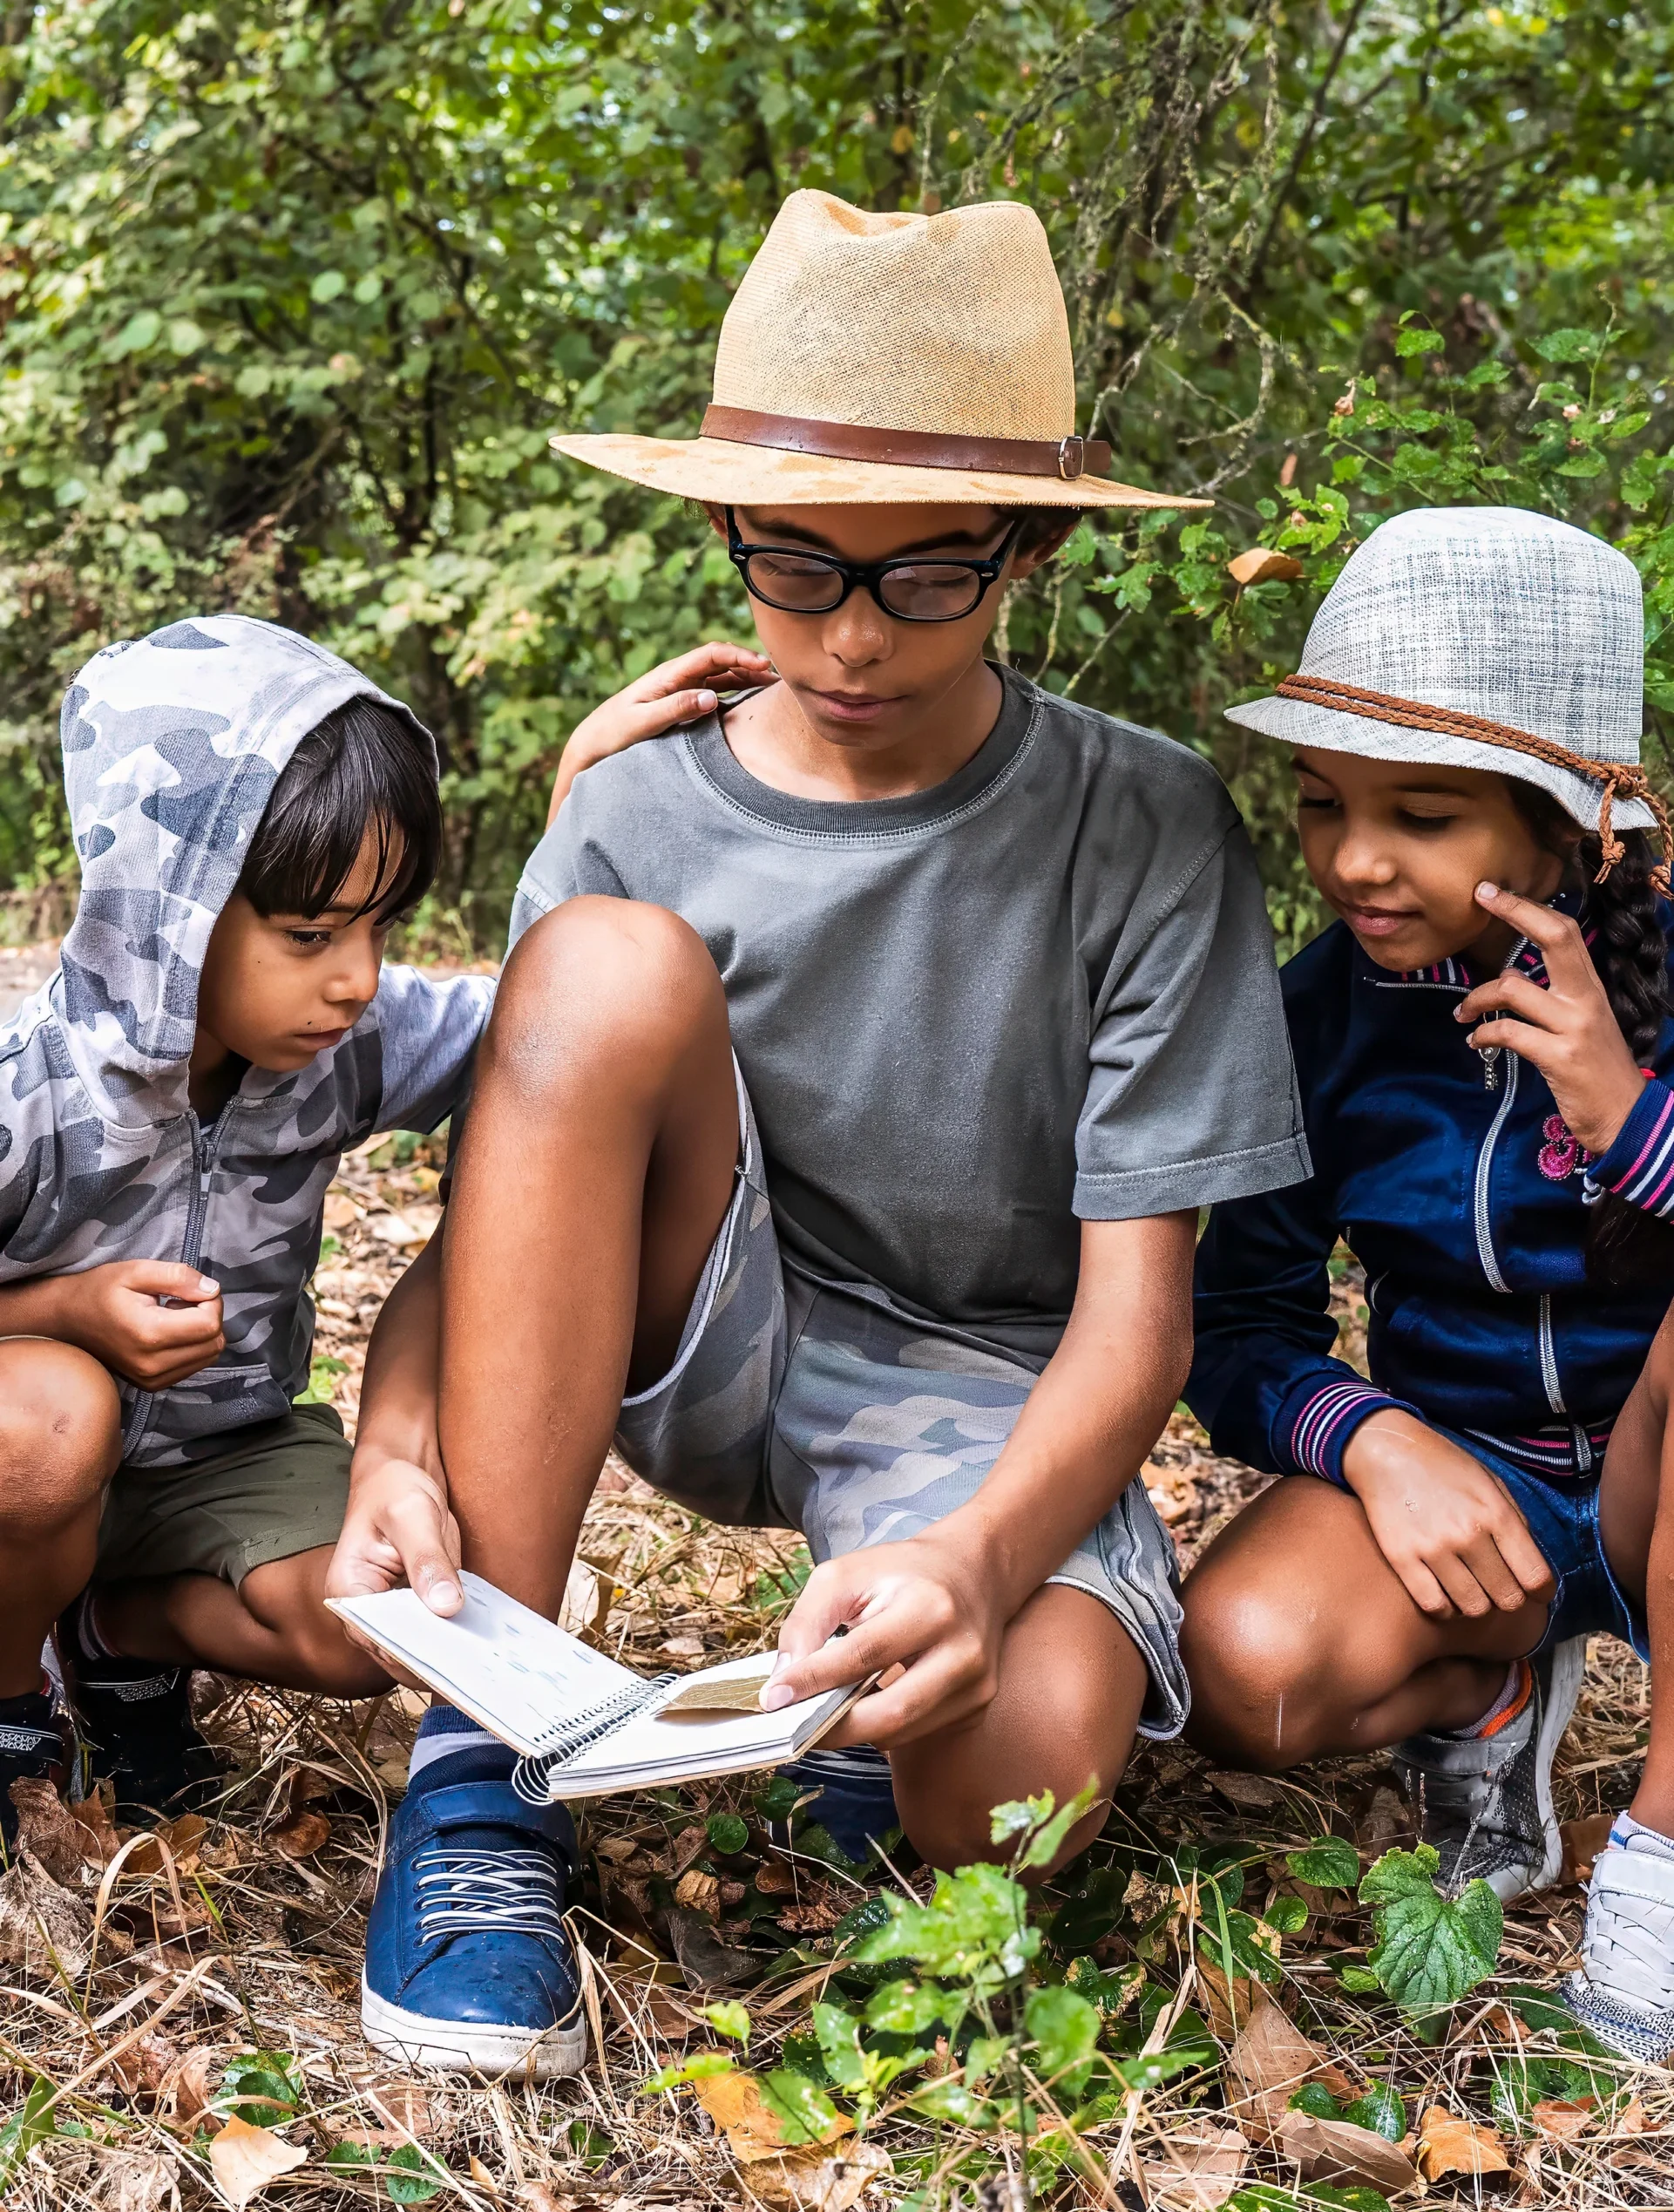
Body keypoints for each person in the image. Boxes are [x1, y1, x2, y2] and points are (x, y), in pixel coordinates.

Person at [341, 187, 1310, 2079]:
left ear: (1021, 548)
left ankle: (859, 1719)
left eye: (920, 577)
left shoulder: (1149, 823)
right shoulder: (633, 811)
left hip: (988, 1376)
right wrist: (394, 1440)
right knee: (603, 965)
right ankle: (481, 1779)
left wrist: (976, 1557)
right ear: (730, 532)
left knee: (1009, 1794)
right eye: (795, 567)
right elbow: (502, 1219)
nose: (850, 635)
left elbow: (1140, 1326)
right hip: (712, 1317)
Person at [1184, 506, 1674, 2062]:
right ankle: (1494, 1707)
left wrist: (1631, 1120)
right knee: (1242, 1674)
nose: (1354, 859)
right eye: (1325, 804)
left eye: (1425, 815)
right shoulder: (1320, 1015)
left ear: (1576, 832)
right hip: (1483, 1503)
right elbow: (1239, 1323)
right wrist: (1373, 1442)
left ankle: (1659, 1859)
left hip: (1662, 1481)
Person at [0, 616, 493, 1848]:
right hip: (28, 1466)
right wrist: (61, 1311)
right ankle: (11, 1699)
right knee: (49, 1422)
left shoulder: (345, 1049)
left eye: (383, 928)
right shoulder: (34, 1092)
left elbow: (555, 1022)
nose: (360, 980)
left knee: (368, 1623)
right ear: (167, 914)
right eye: (313, 935)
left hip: (220, 1460)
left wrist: (598, 796)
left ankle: (114, 1641)